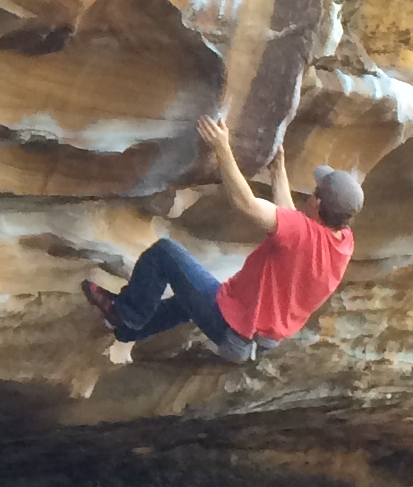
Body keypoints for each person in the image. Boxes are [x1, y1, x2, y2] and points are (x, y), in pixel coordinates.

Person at [81, 115, 364, 362]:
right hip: (255, 339)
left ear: (316, 202)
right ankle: (129, 330)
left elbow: (246, 204)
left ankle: (125, 313)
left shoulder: (302, 232)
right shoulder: (343, 242)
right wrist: (279, 173)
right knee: (188, 297)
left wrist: (222, 148)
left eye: (316, 190)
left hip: (233, 329)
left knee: (165, 254)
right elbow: (292, 224)